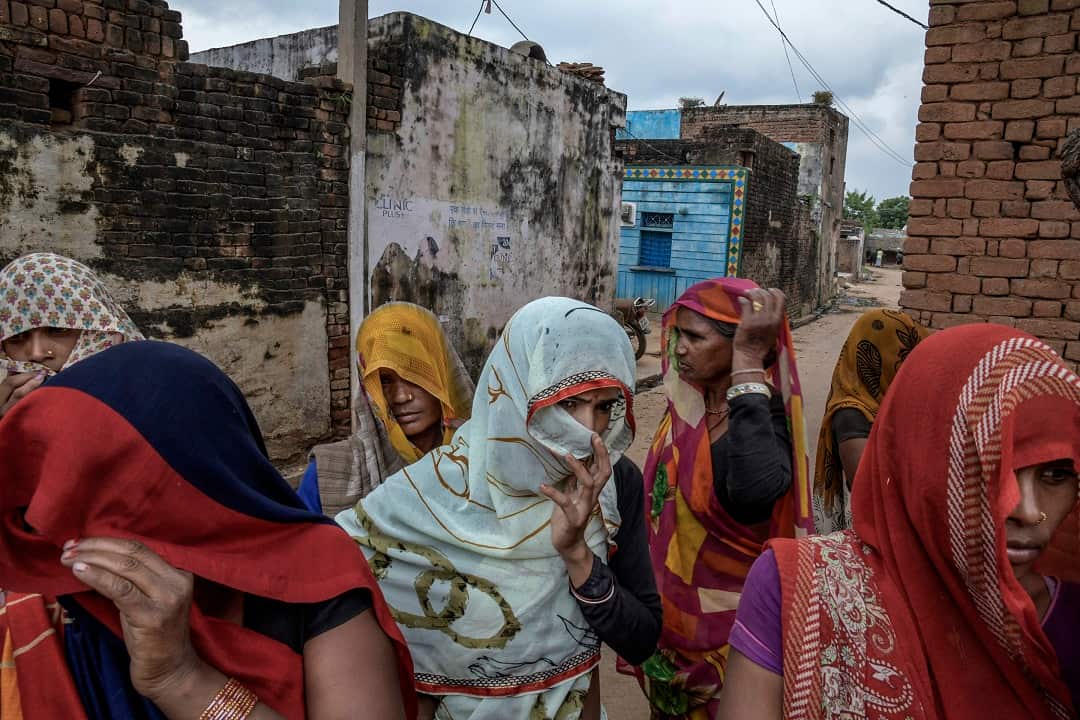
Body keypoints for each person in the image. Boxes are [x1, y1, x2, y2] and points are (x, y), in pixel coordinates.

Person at [0, 341, 416, 719]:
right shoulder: (42, 603)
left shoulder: (315, 569)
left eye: (98, 495)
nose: (58, 525)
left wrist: (180, 679)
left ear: (195, 483)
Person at [720, 324, 1080, 719]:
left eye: (1057, 476)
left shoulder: (1070, 620)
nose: (1028, 511)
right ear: (923, 460)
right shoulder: (800, 592)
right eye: (991, 468)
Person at [336, 297, 661, 720]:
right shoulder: (427, 494)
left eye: (603, 407)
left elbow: (643, 639)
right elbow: (333, 571)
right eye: (566, 405)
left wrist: (578, 556)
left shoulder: (614, 484)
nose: (588, 431)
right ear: (514, 392)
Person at [634, 277, 813, 719]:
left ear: (739, 345)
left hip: (732, 639)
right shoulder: (687, 411)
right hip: (671, 626)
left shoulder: (762, 417)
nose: (678, 349)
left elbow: (754, 494)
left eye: (695, 337)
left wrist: (748, 362)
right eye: (678, 334)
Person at [299, 302, 474, 517]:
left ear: (443, 376)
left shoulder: (483, 461)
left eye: (416, 376)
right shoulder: (327, 476)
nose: (401, 397)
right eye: (384, 381)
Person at [812, 309, 929, 533]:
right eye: (902, 355)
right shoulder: (852, 415)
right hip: (880, 535)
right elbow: (873, 492)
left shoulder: (891, 405)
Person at [0, 252, 142, 418]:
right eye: (16, 337)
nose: (36, 354)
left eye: (59, 330)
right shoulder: (9, 410)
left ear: (98, 333)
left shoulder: (148, 400)